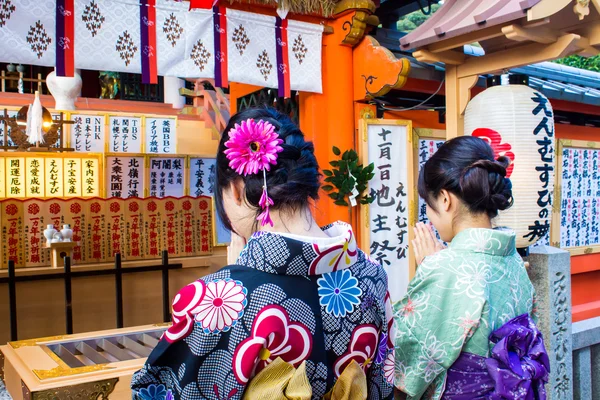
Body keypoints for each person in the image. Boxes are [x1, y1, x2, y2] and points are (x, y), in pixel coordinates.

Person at [131, 108, 395, 400]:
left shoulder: (215, 300)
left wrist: (236, 276)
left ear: (234, 188)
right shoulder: (373, 275)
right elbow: (383, 385)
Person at [393, 136, 549, 400]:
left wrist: (434, 271)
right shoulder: (513, 261)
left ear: (444, 199)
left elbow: (410, 367)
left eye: (428, 206)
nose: (429, 216)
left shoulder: (444, 268)